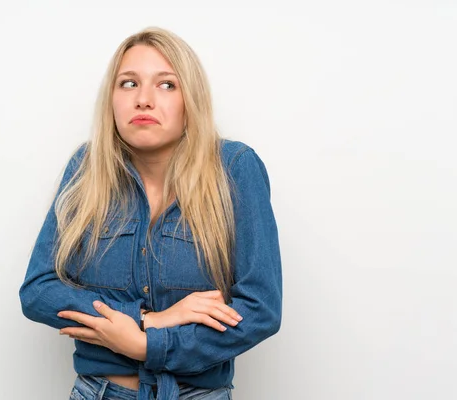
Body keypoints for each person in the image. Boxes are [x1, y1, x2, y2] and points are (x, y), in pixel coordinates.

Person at [19, 26, 282, 400]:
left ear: (191, 100)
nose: (144, 100)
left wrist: (147, 346)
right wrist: (147, 320)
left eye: (166, 85)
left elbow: (259, 311)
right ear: (111, 99)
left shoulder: (235, 168)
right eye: (128, 84)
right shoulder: (86, 168)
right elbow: (38, 292)